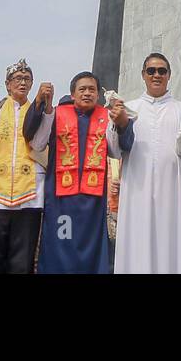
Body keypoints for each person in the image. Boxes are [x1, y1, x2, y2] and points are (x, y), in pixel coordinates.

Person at [24, 71, 125, 273]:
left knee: (91, 248)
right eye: (82, 89)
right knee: (61, 244)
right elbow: (37, 143)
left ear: (98, 94)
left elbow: (116, 151)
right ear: (72, 94)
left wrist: (118, 122)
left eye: (92, 89)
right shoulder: (57, 114)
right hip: (62, 201)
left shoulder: (105, 117)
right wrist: (46, 111)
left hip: (92, 201)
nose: (87, 93)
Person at [113, 52, 181, 274]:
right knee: (136, 244)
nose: (156, 75)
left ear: (169, 75)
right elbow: (114, 149)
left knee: (170, 246)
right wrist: (120, 124)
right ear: (143, 74)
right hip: (136, 191)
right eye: (151, 71)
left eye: (162, 71)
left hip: (171, 192)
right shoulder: (129, 109)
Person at [0, 59, 45, 274]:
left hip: (30, 197)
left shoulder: (39, 113)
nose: (22, 83)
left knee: (22, 265)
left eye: (27, 79)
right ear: (7, 84)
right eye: (17, 78)